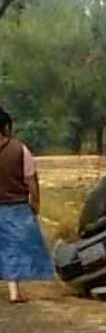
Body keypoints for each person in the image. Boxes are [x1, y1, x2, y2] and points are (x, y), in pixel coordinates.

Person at [0, 109, 54, 302]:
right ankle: (14, 292)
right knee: (13, 249)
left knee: (6, 249)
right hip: (17, 207)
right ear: (6, 127)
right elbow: (30, 179)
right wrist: (35, 202)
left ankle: (13, 290)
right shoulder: (20, 149)